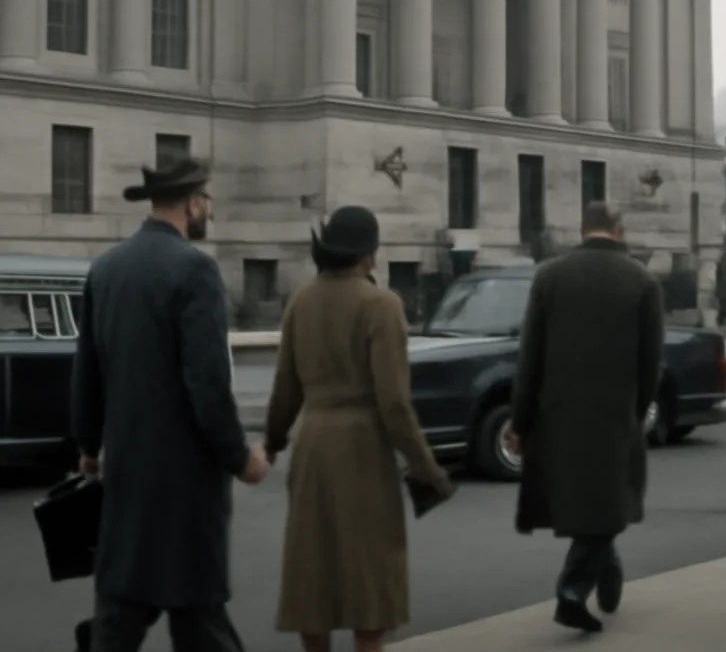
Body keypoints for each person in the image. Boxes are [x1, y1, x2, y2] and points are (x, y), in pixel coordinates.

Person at [71, 158, 268, 652]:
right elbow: (207, 383)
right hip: (186, 484)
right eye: (207, 203)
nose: (207, 212)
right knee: (198, 614)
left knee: (120, 615)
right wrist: (240, 457)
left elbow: (88, 368)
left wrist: (89, 445)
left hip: (127, 476)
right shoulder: (195, 270)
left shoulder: (107, 268)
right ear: (194, 203)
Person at [263, 206, 454, 652]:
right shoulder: (381, 305)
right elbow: (395, 402)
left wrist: (272, 443)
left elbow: (285, 391)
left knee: (314, 575)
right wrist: (427, 468)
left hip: (312, 446)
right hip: (363, 449)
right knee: (370, 583)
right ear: (369, 255)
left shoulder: (301, 302)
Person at [509, 202, 664, 634]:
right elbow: (651, 363)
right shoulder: (642, 280)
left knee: (596, 501)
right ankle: (573, 589)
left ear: (582, 229)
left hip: (558, 412)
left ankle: (606, 569)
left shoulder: (550, 276)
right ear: (619, 228)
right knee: (611, 498)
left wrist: (521, 421)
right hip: (616, 412)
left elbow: (529, 357)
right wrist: (636, 411)